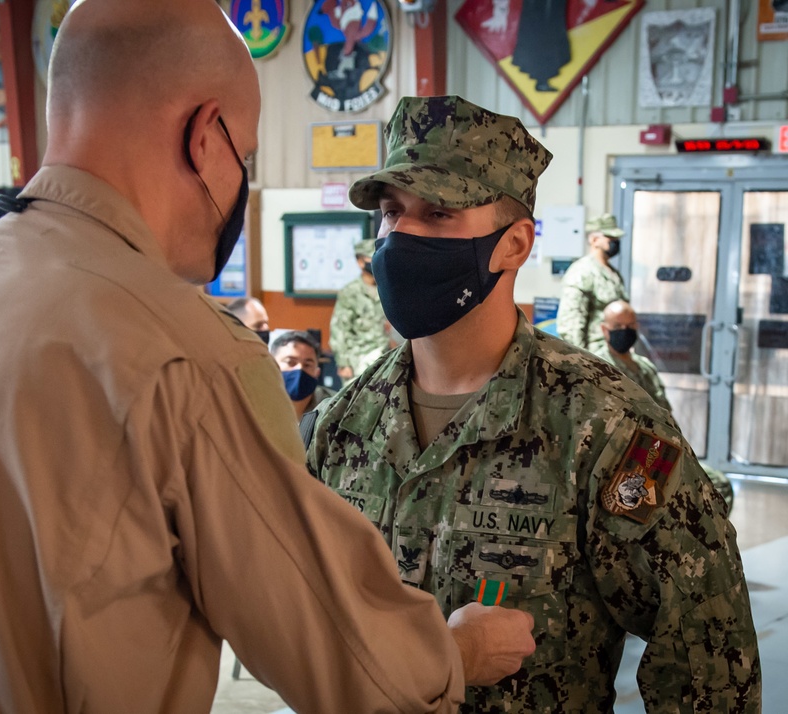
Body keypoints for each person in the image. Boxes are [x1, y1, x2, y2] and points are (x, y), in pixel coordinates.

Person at [0, 4, 537, 712]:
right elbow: (349, 662)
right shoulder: (182, 352)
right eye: (243, 156)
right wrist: (456, 653)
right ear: (204, 135)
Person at [308, 94, 761, 712]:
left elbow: (707, 662)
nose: (399, 236)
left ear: (514, 244)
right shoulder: (342, 426)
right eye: (390, 213)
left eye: (438, 214)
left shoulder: (604, 424)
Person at [593, 299, 735, 511]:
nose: (625, 331)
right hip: (626, 457)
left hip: (661, 450)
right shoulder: (599, 367)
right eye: (618, 327)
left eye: (630, 326)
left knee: (719, 484)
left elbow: (666, 415)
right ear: (605, 330)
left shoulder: (645, 367)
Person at [557, 213, 628, 351]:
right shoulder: (582, 272)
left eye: (616, 238)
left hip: (615, 353)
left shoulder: (613, 272)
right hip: (595, 355)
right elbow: (571, 326)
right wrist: (581, 363)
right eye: (610, 237)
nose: (615, 241)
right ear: (594, 239)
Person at [329, 237, 390, 381]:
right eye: (372, 258)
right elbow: (339, 329)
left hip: (384, 359)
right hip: (357, 361)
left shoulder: (387, 289)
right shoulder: (350, 292)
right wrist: (343, 363)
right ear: (360, 261)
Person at [270, 329, 335, 421]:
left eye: (307, 365)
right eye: (290, 362)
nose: (299, 369)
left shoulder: (335, 406)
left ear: (317, 373)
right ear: (271, 366)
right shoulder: (253, 404)